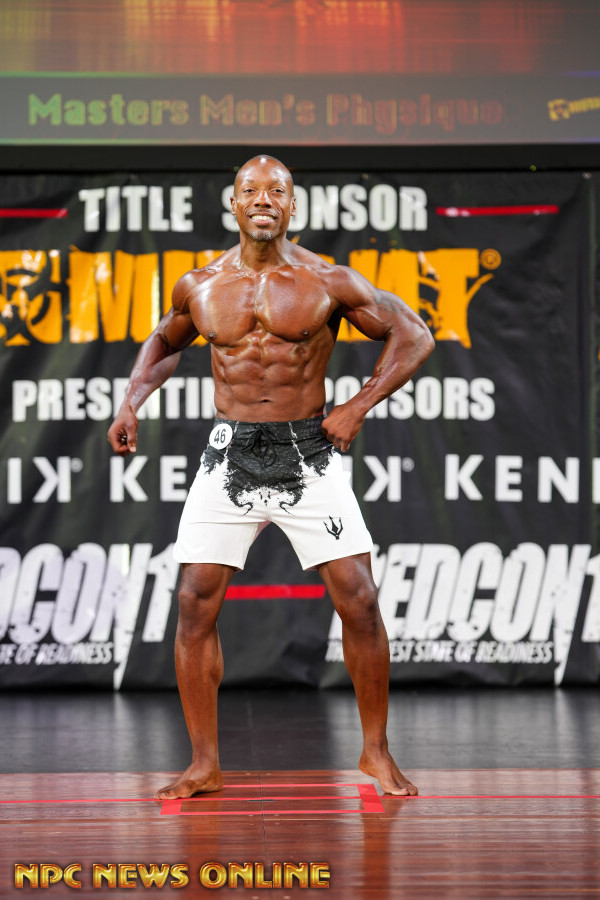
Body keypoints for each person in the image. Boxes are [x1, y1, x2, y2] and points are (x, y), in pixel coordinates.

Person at [108, 155, 434, 798]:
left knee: (360, 598)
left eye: (276, 191)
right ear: (233, 204)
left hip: (308, 449)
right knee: (193, 601)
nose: (264, 199)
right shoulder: (200, 285)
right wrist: (129, 402)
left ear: (292, 206)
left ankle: (375, 752)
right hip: (229, 451)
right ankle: (203, 762)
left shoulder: (328, 280)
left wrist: (357, 405)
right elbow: (165, 343)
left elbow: (415, 335)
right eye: (251, 190)